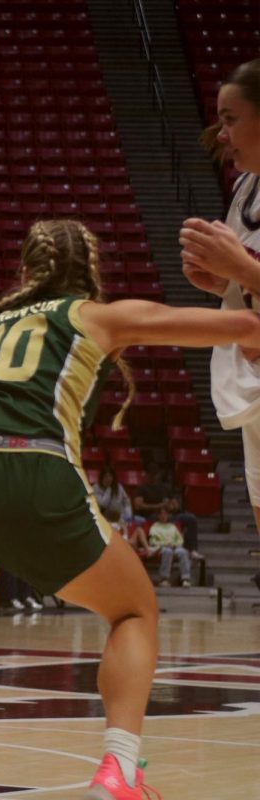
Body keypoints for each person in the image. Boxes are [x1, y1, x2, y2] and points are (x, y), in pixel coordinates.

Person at [0, 219, 260, 800]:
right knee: (133, 612)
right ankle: (119, 769)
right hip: (37, 469)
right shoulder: (96, 315)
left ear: (25, 274)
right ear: (88, 275)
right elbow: (247, 327)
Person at [181, 59, 260, 546]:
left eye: (230, 118)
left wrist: (242, 271)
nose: (221, 133)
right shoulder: (245, 186)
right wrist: (224, 285)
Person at [147, 507, 192, 588]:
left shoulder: (172, 526)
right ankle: (164, 579)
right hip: (161, 547)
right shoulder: (155, 526)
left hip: (174, 546)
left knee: (183, 552)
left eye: (165, 514)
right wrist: (165, 544)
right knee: (167, 551)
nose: (163, 516)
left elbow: (180, 539)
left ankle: (185, 578)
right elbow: (152, 541)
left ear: (168, 515)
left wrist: (174, 545)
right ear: (158, 516)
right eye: (161, 514)